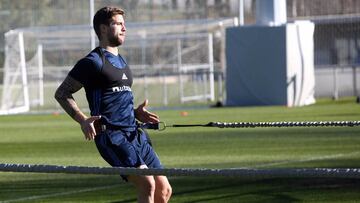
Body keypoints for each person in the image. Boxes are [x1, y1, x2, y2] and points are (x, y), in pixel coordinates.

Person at [54, 6, 172, 203]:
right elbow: (62, 93)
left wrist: (135, 112)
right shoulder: (92, 61)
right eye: (118, 24)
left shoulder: (122, 60)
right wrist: (83, 120)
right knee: (147, 184)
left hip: (135, 134)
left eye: (124, 24)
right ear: (103, 28)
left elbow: (114, 99)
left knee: (164, 190)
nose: (124, 28)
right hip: (112, 136)